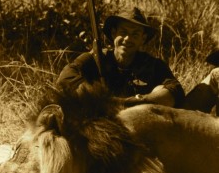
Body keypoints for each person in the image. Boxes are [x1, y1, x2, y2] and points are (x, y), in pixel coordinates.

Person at [56, 7, 185, 107]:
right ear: (113, 34)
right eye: (123, 32)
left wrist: (139, 101)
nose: (128, 39)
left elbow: (176, 91)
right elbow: (65, 79)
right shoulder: (96, 59)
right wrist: (97, 98)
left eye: (135, 34)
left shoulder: (153, 65)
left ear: (143, 39)